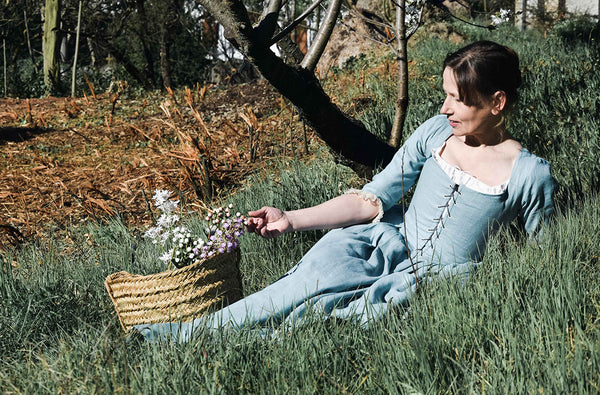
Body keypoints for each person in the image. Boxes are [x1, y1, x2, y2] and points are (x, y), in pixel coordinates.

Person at [136, 40, 555, 342]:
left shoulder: (528, 174)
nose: (444, 108)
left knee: (323, 322)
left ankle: (232, 344)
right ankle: (190, 332)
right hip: (383, 244)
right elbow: (370, 198)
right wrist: (292, 219)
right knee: (306, 283)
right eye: (444, 95)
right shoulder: (435, 133)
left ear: (497, 103)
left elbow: (542, 260)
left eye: (457, 100)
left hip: (437, 283)